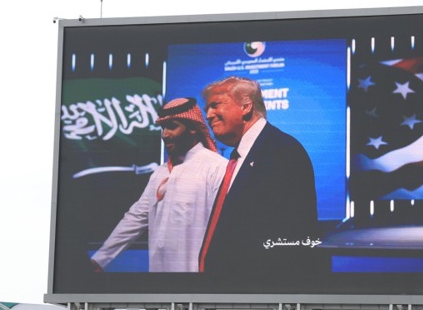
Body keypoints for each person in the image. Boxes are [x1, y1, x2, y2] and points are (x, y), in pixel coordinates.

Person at [197, 76, 319, 279]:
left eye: (215, 106)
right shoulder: (239, 157)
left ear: (246, 106)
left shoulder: (281, 151)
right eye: (206, 109)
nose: (208, 115)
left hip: (260, 294)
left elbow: (289, 237)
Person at [91, 97, 228, 273]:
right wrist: (100, 260)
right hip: (159, 280)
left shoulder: (216, 167)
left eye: (172, 126)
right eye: (162, 128)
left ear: (193, 129)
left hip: (199, 281)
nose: (165, 134)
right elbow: (135, 218)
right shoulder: (160, 173)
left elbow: (225, 229)